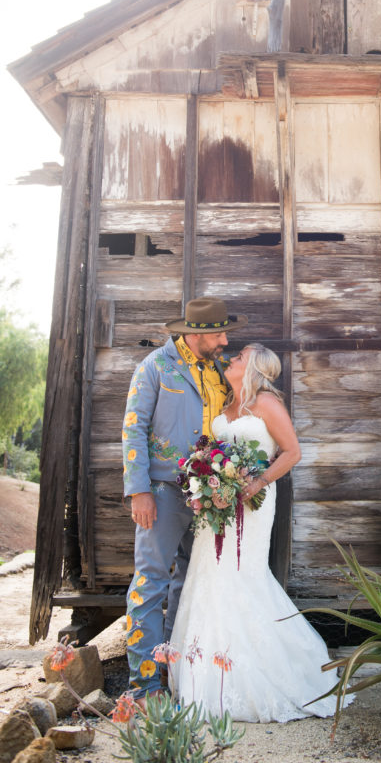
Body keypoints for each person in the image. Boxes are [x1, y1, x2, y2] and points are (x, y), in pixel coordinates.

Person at [169, 343, 343, 722]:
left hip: (252, 504)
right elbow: (216, 451)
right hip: (218, 507)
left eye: (240, 355)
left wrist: (258, 480)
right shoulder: (227, 407)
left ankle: (255, 674)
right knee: (207, 575)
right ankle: (207, 674)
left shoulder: (266, 403)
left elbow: (292, 451)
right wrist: (204, 478)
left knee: (240, 575)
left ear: (256, 368)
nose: (232, 357)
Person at [122, 297, 247, 700]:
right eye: (218, 333)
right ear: (194, 334)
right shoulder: (155, 367)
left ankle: (176, 677)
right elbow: (133, 428)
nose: (225, 339)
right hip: (160, 491)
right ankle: (144, 688)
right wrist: (139, 490)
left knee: (189, 584)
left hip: (207, 495)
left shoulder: (217, 370)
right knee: (151, 583)